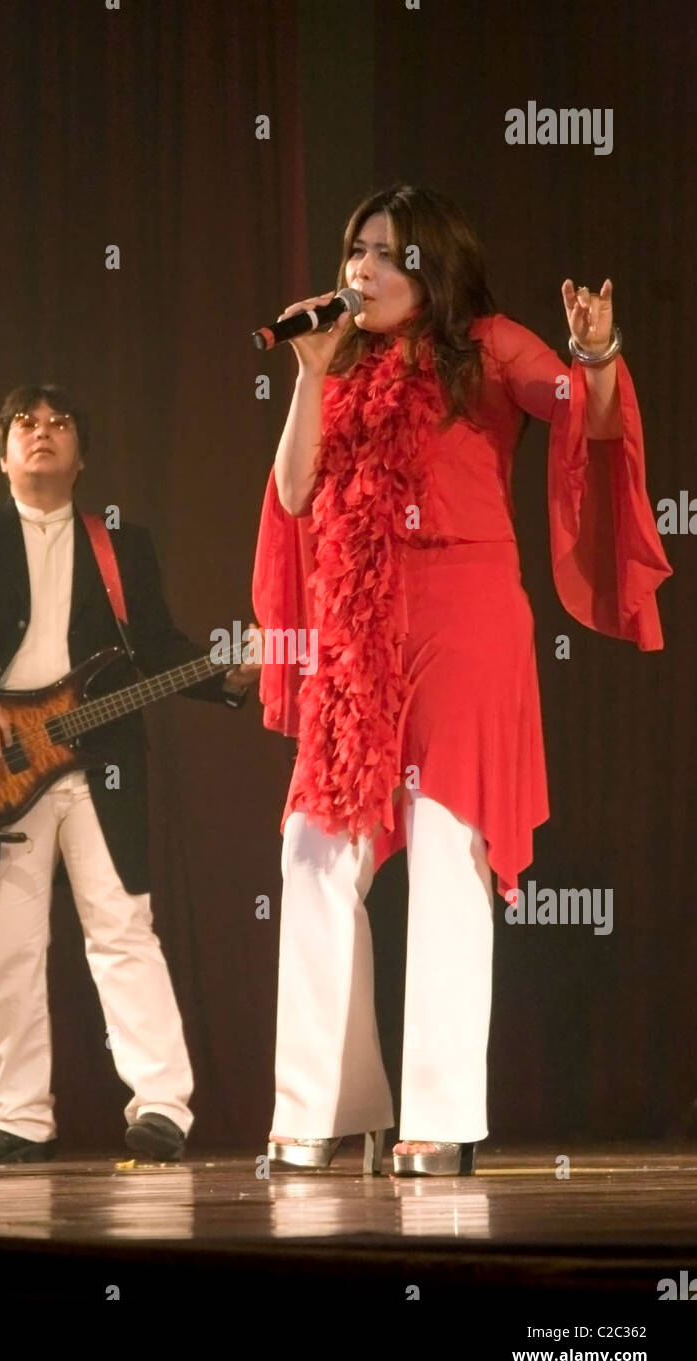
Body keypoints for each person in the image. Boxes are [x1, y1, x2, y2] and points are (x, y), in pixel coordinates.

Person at [252, 184, 672, 1177]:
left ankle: (436, 1118)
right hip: (359, 627)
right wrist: (309, 375)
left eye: (387, 253)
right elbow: (290, 494)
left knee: (446, 850)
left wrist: (596, 353)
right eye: (355, 249)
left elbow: (583, 412)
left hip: (465, 616)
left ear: (430, 268)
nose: (362, 269)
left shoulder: (489, 345)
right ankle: (318, 1107)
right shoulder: (336, 360)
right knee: (311, 857)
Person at [0, 385, 259, 1164]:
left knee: (122, 929)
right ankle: (19, 1119)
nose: (42, 433)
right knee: (7, 943)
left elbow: (153, 645)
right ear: (4, 452)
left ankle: (161, 1109)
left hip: (102, 755)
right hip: (0, 763)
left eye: (59, 424)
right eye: (26, 423)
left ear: (81, 455)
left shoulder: (119, 542)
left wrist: (226, 676)